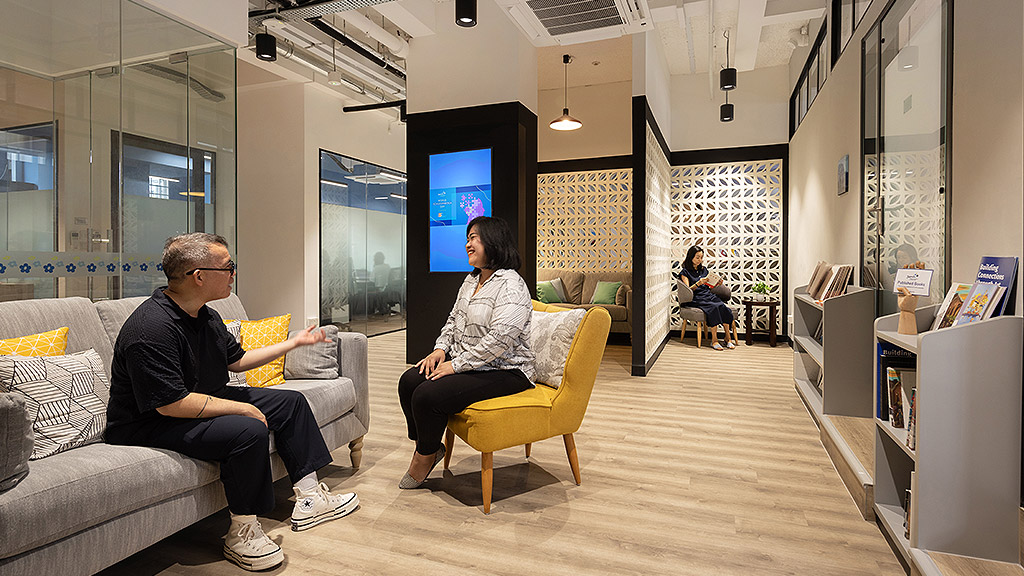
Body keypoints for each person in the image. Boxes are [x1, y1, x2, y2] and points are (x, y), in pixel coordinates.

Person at [105, 233, 358, 572]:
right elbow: (169, 404)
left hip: (196, 400)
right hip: (148, 421)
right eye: (228, 267)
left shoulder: (205, 315)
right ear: (199, 276)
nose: (233, 274)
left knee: (291, 403)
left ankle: (310, 497)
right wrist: (242, 407)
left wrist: (294, 342)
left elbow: (236, 361)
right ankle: (242, 531)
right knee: (246, 430)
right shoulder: (151, 327)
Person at [397, 216, 535, 489]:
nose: (467, 244)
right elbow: (453, 319)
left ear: (494, 242)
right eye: (468, 238)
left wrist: (455, 365)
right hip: (472, 364)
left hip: (507, 369)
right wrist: (440, 350)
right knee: (410, 381)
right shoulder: (471, 281)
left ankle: (423, 458)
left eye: (474, 238)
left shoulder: (511, 284)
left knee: (427, 394)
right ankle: (429, 446)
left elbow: (500, 340)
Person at [679, 245, 736, 350]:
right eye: (697, 257)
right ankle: (714, 340)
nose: (700, 260)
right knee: (714, 307)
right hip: (696, 298)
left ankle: (728, 338)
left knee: (722, 307)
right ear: (690, 257)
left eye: (701, 257)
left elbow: (709, 285)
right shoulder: (685, 272)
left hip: (707, 295)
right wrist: (698, 283)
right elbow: (688, 291)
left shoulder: (703, 270)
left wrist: (717, 283)